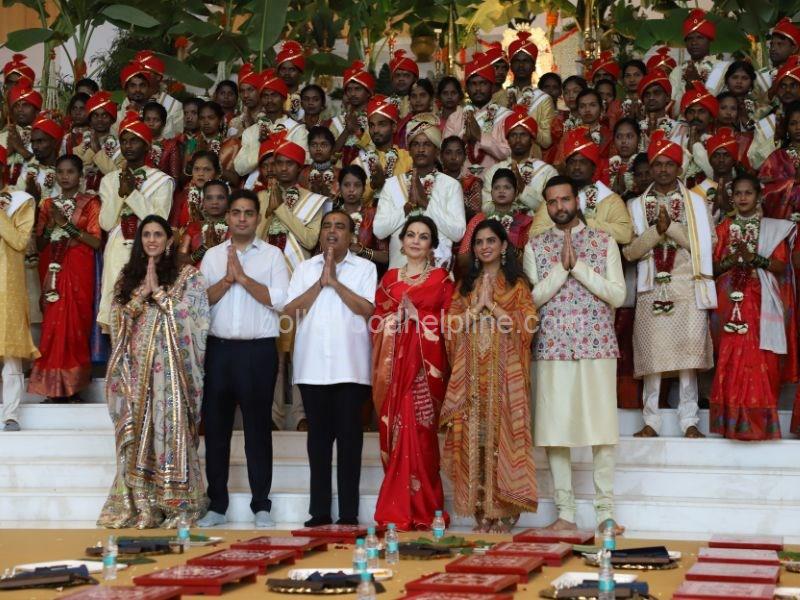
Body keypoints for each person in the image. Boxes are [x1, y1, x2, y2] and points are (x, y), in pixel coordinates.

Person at [523, 175, 625, 532]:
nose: (559, 207)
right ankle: (565, 513)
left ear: (576, 201)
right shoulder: (535, 246)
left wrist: (579, 267)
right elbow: (530, 300)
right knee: (554, 430)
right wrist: (560, 269)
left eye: (564, 200)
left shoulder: (603, 241)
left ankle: (605, 513)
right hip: (551, 346)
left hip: (597, 343)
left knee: (602, 429)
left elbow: (618, 295)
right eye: (552, 202)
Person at [98, 215, 208, 528]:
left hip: (171, 374)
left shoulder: (188, 276)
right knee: (138, 434)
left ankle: (177, 505)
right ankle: (143, 505)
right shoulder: (128, 276)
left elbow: (196, 320)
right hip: (135, 370)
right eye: (146, 234)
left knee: (169, 429)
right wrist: (140, 296)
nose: (151, 240)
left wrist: (159, 293)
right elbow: (117, 321)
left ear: (169, 240)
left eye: (158, 234)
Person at [197, 189, 289, 528]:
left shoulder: (273, 256)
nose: (241, 218)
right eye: (236, 212)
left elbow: (282, 301)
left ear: (258, 218)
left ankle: (261, 505)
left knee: (257, 430)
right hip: (218, 350)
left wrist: (244, 279)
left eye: (249, 213)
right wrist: (227, 279)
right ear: (227, 217)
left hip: (258, 351)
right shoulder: (212, 256)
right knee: (216, 430)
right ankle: (216, 505)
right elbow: (199, 302)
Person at [443, 217, 538, 533]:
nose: (484, 247)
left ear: (504, 245)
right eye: (479, 242)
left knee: (503, 437)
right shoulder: (465, 286)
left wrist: (492, 307)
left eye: (491, 241)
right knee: (477, 437)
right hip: (472, 375)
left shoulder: (517, 285)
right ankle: (481, 507)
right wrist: (475, 308)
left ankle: (505, 510)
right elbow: (451, 327)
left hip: (506, 376)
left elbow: (527, 325)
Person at [283, 210, 377, 526]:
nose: (332, 231)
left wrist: (334, 282)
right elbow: (290, 310)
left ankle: (349, 513)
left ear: (351, 235)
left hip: (351, 368)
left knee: (350, 443)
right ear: (320, 234)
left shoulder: (364, 268)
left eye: (339, 226)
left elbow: (367, 309)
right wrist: (319, 283)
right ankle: (319, 511)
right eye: (326, 226)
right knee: (318, 444)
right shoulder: (304, 268)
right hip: (312, 368)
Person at [623, 131, 716, 439]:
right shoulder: (636, 206)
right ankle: (651, 421)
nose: (663, 170)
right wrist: (655, 233)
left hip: (687, 287)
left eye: (669, 164)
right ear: (650, 167)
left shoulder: (696, 204)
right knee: (652, 355)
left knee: (688, 356)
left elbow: (709, 244)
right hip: (652, 287)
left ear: (679, 168)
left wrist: (671, 229)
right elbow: (630, 252)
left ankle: (689, 421)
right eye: (657, 164)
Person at [371, 215, 452, 529]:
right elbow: (377, 322)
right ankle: (397, 510)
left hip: (423, 374)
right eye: (411, 235)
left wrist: (419, 317)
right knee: (396, 434)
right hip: (394, 371)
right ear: (402, 243)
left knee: (422, 437)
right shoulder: (390, 280)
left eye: (424, 236)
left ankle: (426, 509)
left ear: (432, 245)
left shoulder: (441, 280)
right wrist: (394, 320)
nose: (416, 241)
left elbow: (451, 323)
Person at [711, 173, 794, 440]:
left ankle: (757, 424)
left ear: (758, 196)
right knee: (730, 355)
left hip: (760, 300)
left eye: (748, 193)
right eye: (738, 193)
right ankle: (732, 423)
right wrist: (733, 260)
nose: (743, 198)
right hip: (728, 301)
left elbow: (780, 265)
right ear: (732, 197)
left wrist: (754, 258)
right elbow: (712, 267)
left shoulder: (771, 229)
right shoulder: (724, 228)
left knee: (758, 357)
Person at [28, 155, 100, 402]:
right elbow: (40, 244)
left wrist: (65, 225)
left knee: (76, 325)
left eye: (70, 172)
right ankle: (52, 388)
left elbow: (95, 241)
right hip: (53, 271)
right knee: (53, 325)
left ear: (80, 175)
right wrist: (51, 225)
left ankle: (73, 388)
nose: (65, 176)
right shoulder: (48, 204)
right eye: (60, 172)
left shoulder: (90, 203)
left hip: (79, 270)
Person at [97, 112, 174, 330]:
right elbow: (106, 222)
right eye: (124, 141)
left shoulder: (162, 181)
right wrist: (120, 192)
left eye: (134, 141)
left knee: (143, 311)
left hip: (147, 249)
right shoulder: (109, 180)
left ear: (147, 145)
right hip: (116, 248)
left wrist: (131, 194)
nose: (128, 146)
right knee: (114, 309)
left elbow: (159, 221)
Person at [375, 113, 466, 269]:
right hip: (399, 270)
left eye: (427, 144)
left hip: (436, 272)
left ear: (436, 151)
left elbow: (458, 233)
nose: (421, 149)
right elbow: (379, 230)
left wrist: (426, 204)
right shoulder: (392, 185)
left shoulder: (451, 185)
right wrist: (407, 208)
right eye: (416, 144)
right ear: (409, 150)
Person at [532, 129, 633, 245]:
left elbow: (625, 234)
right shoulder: (554, 197)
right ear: (566, 167)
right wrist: (565, 226)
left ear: (593, 168)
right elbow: (534, 232)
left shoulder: (610, 199)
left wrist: (583, 223)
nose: (576, 167)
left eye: (583, 162)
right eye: (572, 162)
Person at [0, 147, 38, 431]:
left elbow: (20, 241)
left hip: (8, 287)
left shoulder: (20, 201)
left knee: (11, 350)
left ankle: (11, 414)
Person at [443, 52, 512, 174]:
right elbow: (445, 154)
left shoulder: (506, 117)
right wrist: (463, 139)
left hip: (495, 182)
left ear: (492, 85)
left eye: (483, 83)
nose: (478, 89)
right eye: (473, 84)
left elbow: (509, 153)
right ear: (466, 88)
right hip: (461, 180)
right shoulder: (455, 118)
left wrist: (480, 136)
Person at [481, 105, 558, 213]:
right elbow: (486, 208)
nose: (518, 140)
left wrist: (522, 188)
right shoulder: (493, 171)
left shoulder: (548, 172)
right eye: (513, 135)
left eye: (523, 135)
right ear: (507, 140)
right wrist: (508, 209)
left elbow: (550, 208)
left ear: (532, 140)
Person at [234, 70, 308, 178]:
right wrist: (261, 144)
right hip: (255, 185)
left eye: (274, 95)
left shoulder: (298, 130)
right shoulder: (250, 132)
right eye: (265, 96)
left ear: (283, 98)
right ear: (260, 99)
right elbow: (240, 168)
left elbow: (304, 162)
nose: (269, 100)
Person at [462, 168, 532, 276]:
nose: (501, 191)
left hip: (514, 277)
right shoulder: (479, 219)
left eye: (507, 187)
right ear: (491, 193)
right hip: (482, 276)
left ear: (516, 193)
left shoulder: (525, 222)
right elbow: (462, 258)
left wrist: (510, 249)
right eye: (496, 188)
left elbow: (530, 260)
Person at [496, 32, 555, 156]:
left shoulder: (544, 100)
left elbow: (547, 141)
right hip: (503, 160)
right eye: (517, 61)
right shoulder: (500, 98)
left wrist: (523, 120)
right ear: (511, 66)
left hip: (532, 161)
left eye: (526, 61)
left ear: (534, 66)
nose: (521, 65)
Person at [669, 9, 730, 116]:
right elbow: (674, 110)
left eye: (700, 38)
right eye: (689, 39)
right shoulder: (677, 71)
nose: (694, 42)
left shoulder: (720, 67)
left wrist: (694, 83)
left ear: (709, 40)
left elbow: (712, 99)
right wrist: (688, 88)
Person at [352, 95, 412, 202]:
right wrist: (373, 185)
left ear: (394, 127)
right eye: (372, 125)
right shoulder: (359, 163)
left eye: (381, 124)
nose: (375, 130)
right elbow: (352, 201)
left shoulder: (408, 159)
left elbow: (413, 197)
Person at [335, 165, 389, 271]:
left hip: (365, 273)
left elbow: (385, 257)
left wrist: (361, 250)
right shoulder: (332, 215)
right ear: (339, 188)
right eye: (346, 185)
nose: (351, 190)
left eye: (357, 185)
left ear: (364, 188)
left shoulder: (373, 214)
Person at [749, 56, 800, 169]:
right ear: (776, 90)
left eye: (793, 85)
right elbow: (754, 162)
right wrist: (777, 139)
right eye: (782, 86)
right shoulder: (766, 122)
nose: (787, 90)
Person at [74, 91, 123, 192]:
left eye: (104, 116)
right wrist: (91, 151)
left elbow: (117, 177)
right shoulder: (80, 145)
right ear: (90, 119)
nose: (100, 119)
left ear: (112, 119)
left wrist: (98, 151)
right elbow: (76, 173)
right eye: (95, 115)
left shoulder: (121, 147)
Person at [759, 101, 800, 220]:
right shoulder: (776, 157)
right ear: (786, 127)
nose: (798, 128)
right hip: (783, 220)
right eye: (793, 123)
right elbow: (764, 191)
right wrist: (792, 182)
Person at [130, 51, 184, 138]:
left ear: (158, 77)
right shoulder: (128, 101)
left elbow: (175, 140)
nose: (140, 75)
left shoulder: (174, 106)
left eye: (145, 72)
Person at [178, 179, 230, 267]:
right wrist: (205, 248)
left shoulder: (235, 227)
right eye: (209, 198)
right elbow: (180, 261)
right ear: (203, 201)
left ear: (228, 200)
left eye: (220, 197)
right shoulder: (194, 227)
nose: (215, 202)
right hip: (196, 274)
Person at [692, 128, 739, 224]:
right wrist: (715, 207)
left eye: (726, 155)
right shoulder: (697, 192)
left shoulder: (743, 189)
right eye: (716, 155)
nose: (721, 160)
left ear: (734, 160)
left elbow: (750, 225)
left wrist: (728, 208)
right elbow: (696, 225)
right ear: (710, 160)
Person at [331, 61, 374, 166]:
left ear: (368, 92)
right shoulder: (338, 121)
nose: (353, 93)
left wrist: (358, 132)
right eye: (349, 90)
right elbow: (329, 155)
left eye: (357, 89)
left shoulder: (376, 119)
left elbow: (379, 153)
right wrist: (347, 130)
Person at [0, 83, 41, 186]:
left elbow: (48, 171)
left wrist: (20, 148)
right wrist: (7, 153)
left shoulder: (44, 138)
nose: (20, 109)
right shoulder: (2, 136)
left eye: (26, 105)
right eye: (16, 105)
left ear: (37, 111)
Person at [170, 151, 221, 229]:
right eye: (196, 169)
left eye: (207, 169)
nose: (200, 174)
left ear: (216, 173)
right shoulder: (183, 196)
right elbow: (173, 229)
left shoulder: (223, 198)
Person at [440, 136, 483, 222]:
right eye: (448, 153)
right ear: (441, 157)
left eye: (459, 153)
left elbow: (475, 215)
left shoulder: (472, 183)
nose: (453, 157)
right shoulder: (434, 181)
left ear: (464, 157)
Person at [756, 17, 800, 96]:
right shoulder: (760, 77)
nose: (773, 49)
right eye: (772, 44)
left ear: (794, 48)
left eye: (780, 44)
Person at [142, 101, 183, 182]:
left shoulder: (171, 145)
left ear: (163, 123)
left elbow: (174, 178)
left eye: (156, 120)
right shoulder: (139, 143)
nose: (151, 124)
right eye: (147, 119)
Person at [299, 126, 340, 198]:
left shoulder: (341, 174)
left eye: (324, 145)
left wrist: (327, 195)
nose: (318, 149)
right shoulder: (303, 174)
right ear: (308, 148)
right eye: (314, 145)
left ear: (332, 148)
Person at [394, 79, 435, 148]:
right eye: (414, 96)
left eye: (423, 95)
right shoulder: (403, 125)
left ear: (431, 98)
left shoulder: (437, 123)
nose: (418, 100)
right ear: (409, 99)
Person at [608, 117, 642, 198]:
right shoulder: (606, 168)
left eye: (629, 136)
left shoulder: (645, 165)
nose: (624, 141)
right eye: (619, 136)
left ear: (639, 139)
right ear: (613, 140)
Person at [277, 41, 307, 122]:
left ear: (300, 72)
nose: (287, 73)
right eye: (283, 69)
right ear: (278, 72)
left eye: (292, 69)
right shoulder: (272, 97)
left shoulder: (306, 98)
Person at [228, 63, 261, 137]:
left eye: (250, 90)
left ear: (259, 90)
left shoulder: (269, 118)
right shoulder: (235, 123)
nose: (245, 95)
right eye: (242, 91)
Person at [388, 50, 418, 119]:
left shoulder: (421, 102)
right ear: (392, 79)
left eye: (406, 75)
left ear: (415, 79)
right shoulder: (386, 104)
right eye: (397, 75)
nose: (401, 79)